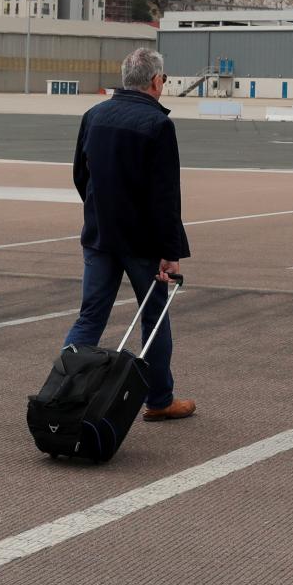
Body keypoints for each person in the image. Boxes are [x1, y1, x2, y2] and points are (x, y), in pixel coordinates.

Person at [65, 46, 194, 420]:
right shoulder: (158, 125)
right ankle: (159, 400)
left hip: (100, 236)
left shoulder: (94, 116)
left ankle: (64, 389)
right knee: (154, 318)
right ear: (156, 81)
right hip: (142, 243)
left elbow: (80, 175)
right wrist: (171, 251)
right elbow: (165, 196)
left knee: (89, 318)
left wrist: (99, 212)